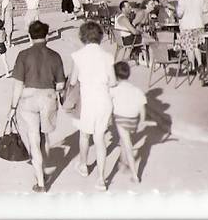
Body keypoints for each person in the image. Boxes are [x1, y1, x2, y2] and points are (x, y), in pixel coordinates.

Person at [8, 20, 66, 193]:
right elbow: (61, 85)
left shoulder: (23, 55)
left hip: (28, 99)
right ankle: (44, 168)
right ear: (47, 36)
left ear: (29, 36)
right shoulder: (55, 56)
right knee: (44, 135)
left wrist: (12, 108)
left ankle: (40, 181)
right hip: (48, 97)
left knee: (34, 139)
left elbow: (17, 85)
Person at [69, 21, 117, 191]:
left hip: (88, 100)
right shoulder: (108, 56)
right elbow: (113, 82)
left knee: (84, 135)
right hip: (104, 100)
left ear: (82, 37)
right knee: (100, 138)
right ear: (100, 36)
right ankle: (102, 179)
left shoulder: (78, 56)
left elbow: (73, 81)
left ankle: (83, 165)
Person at [109, 61, 149, 183]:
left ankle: (134, 174)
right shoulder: (136, 90)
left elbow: (109, 105)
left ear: (115, 76)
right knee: (124, 140)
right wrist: (142, 121)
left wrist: (109, 118)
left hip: (121, 119)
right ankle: (122, 162)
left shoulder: (114, 90)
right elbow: (142, 107)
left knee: (127, 145)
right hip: (133, 120)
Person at [175, 0, 205, 74]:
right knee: (196, 46)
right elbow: (204, 11)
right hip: (198, 25)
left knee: (189, 47)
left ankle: (192, 66)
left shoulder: (182, 1)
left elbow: (179, 15)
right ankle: (200, 64)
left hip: (187, 26)